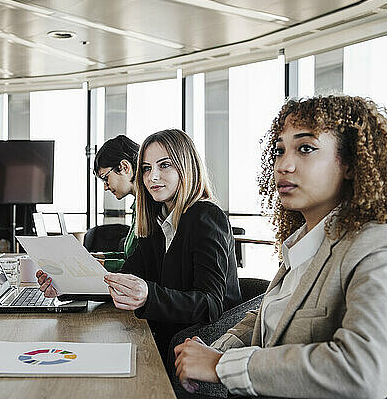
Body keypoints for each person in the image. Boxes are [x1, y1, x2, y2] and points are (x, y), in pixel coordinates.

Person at [173, 95, 387, 398]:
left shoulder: (379, 247)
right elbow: (273, 315)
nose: (283, 165)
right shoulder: (304, 244)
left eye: (306, 148)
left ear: (351, 164)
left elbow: (361, 372)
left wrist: (222, 365)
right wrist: (214, 350)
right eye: (279, 150)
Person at [39, 129, 242, 361]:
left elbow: (210, 304)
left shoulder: (206, 216)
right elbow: (126, 278)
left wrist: (148, 296)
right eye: (146, 168)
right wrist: (67, 286)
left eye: (164, 165)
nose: (152, 177)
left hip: (196, 343)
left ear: (186, 167)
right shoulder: (157, 220)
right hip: (162, 333)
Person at [92, 135, 140, 272]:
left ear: (124, 167)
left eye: (105, 178)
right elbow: (129, 257)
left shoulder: (152, 208)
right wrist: (97, 258)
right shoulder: (138, 207)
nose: (105, 187)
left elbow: (142, 266)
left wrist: (98, 265)